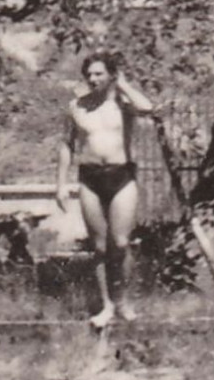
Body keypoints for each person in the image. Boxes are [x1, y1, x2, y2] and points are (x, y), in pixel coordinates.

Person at [55, 52, 156, 327]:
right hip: (89, 179)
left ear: (111, 75)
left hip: (121, 176)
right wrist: (61, 184)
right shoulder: (77, 106)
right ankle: (107, 305)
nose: (93, 79)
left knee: (121, 243)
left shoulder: (123, 105)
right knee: (99, 247)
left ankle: (123, 301)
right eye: (89, 74)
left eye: (99, 73)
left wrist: (122, 85)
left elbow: (148, 108)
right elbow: (67, 145)